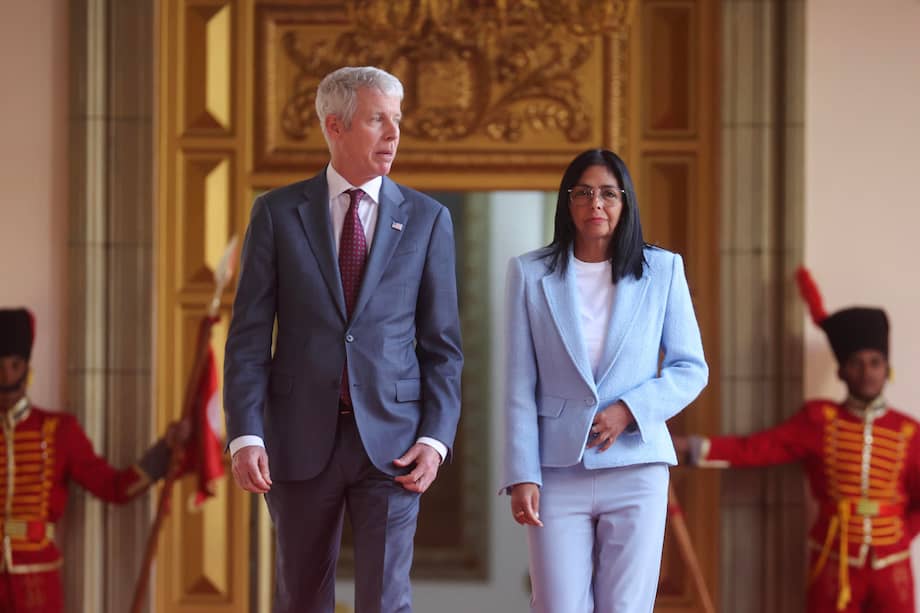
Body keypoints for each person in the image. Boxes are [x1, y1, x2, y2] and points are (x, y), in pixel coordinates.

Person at [223, 66, 463, 613]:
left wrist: (436, 438)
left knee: (386, 601)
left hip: (395, 448)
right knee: (301, 599)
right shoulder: (277, 213)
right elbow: (247, 341)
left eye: (397, 120)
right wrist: (246, 436)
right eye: (378, 119)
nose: (394, 134)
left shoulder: (428, 220)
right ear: (335, 125)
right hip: (296, 442)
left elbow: (443, 346)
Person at [501, 148, 708, 613]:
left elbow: (690, 367)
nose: (596, 204)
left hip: (636, 468)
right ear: (568, 202)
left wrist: (630, 410)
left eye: (608, 194)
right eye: (585, 193)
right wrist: (521, 474)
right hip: (556, 472)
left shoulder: (662, 270)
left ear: (625, 202)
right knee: (556, 605)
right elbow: (518, 384)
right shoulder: (530, 273)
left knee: (627, 607)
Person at [675, 267, 920, 613]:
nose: (867, 372)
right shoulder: (820, 420)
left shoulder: (909, 430)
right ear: (841, 371)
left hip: (891, 564)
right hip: (834, 558)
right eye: (857, 364)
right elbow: (759, 448)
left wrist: (901, 535)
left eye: (875, 363)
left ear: (886, 369)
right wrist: (694, 448)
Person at [0, 307, 187, 613]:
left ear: (27, 368)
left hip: (36, 582)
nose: (6, 376)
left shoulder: (60, 430)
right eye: (0, 367)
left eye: (14, 365)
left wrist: (162, 454)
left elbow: (112, 487)